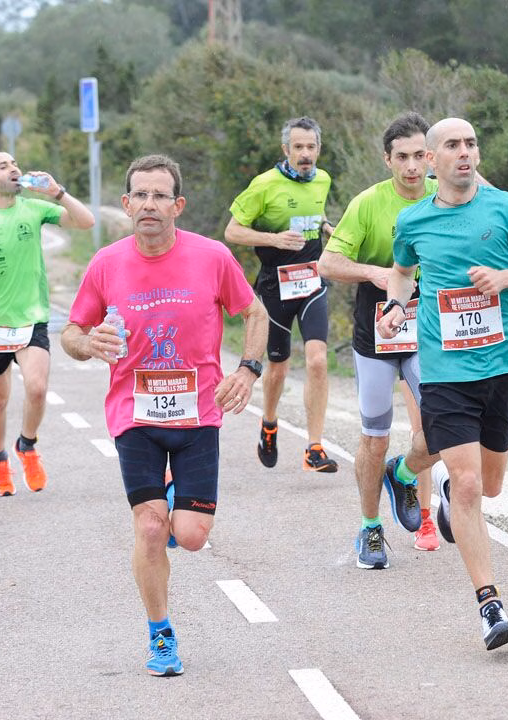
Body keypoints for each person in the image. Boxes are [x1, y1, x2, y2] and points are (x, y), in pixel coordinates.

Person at [61, 154, 268, 676]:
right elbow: (69, 333)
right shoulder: (106, 263)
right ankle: (160, 634)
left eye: (160, 196)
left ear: (177, 205)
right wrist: (88, 343)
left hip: (198, 416)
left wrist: (246, 370)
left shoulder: (213, 256)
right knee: (152, 529)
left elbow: (254, 312)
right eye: (140, 196)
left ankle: (177, 499)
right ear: (127, 204)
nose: (149, 205)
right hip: (135, 415)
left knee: (192, 536)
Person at [377, 117, 508, 649]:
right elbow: (403, 271)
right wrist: (395, 305)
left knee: (487, 485)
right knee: (471, 485)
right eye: (452, 145)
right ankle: (490, 605)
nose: (464, 153)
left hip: (501, 365)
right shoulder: (412, 221)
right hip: (446, 372)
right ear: (430, 160)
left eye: (471, 143)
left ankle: (412, 475)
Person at [318, 112, 441, 568]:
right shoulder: (368, 203)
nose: (413, 167)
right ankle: (370, 529)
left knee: (446, 428)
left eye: (420, 156)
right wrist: (377, 272)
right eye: (402, 157)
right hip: (377, 325)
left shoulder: (442, 195)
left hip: (427, 322)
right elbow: (328, 264)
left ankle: (404, 474)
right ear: (387, 159)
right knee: (375, 437)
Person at [0, 152, 95, 497]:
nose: (13, 168)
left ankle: (26, 445)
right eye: (3, 166)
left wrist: (58, 193)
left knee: (38, 388)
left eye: (14, 163)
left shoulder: (34, 208)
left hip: (32, 317)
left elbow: (86, 222)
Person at [224, 116, 339, 474]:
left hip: (312, 279)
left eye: (311, 147)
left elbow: (312, 213)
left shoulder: (322, 179)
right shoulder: (264, 185)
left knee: (318, 360)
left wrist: (325, 227)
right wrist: (274, 239)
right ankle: (269, 423)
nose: (305, 154)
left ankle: (314, 447)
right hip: (275, 286)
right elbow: (232, 231)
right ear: (285, 150)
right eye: (298, 147)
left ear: (319, 149)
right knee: (278, 368)